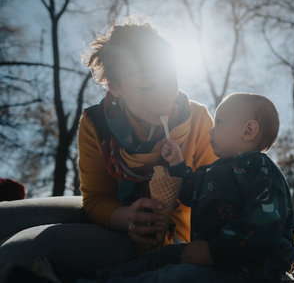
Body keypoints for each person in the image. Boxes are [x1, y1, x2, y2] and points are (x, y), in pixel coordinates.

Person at [0, 16, 217, 278]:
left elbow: (218, 196)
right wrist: (126, 216)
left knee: (26, 248)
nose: (163, 97)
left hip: (163, 244)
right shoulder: (95, 124)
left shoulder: (198, 120)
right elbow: (96, 200)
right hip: (114, 220)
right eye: (146, 86)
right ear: (115, 87)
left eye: (170, 78)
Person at [89, 93, 294, 283]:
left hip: (250, 270)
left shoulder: (262, 171)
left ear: (248, 130)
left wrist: (213, 251)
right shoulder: (217, 170)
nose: (211, 129)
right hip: (208, 255)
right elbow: (192, 191)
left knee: (178, 276)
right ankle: (103, 278)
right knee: (159, 257)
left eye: (220, 123)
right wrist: (178, 164)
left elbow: (264, 227)